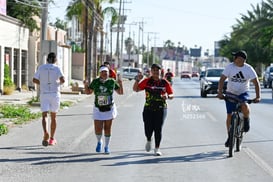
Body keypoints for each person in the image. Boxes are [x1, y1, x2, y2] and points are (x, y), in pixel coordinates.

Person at [217, 50, 261, 147]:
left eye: (236, 57)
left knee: (244, 105)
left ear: (242, 59)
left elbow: (256, 82)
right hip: (230, 93)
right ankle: (230, 136)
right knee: (229, 115)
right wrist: (219, 93)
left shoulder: (248, 69)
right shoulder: (230, 67)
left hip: (243, 93)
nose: (234, 59)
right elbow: (222, 80)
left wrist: (258, 96)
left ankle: (246, 119)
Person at [133, 63, 174, 156]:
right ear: (151, 71)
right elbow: (136, 89)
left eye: (157, 70)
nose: (156, 72)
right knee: (148, 129)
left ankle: (157, 148)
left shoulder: (164, 82)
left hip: (161, 108)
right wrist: (137, 80)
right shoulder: (147, 81)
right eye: (154, 70)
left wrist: (167, 96)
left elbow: (172, 94)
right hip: (148, 108)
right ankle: (148, 139)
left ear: (160, 71)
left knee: (158, 129)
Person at [84, 65, 123, 154]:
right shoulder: (95, 82)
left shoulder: (112, 82)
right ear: (100, 73)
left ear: (108, 73)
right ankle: (99, 141)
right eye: (102, 72)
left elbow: (120, 93)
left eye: (106, 72)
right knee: (98, 128)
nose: (104, 74)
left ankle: (106, 146)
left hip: (109, 108)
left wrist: (120, 83)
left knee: (107, 128)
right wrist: (85, 84)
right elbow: (88, 92)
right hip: (98, 108)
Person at [33, 52, 65, 146]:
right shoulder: (57, 68)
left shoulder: (41, 67)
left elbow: (34, 80)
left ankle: (45, 133)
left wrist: (42, 83)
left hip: (44, 93)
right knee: (54, 116)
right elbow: (63, 80)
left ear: (47, 59)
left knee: (44, 115)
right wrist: (57, 83)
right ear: (55, 60)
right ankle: (51, 138)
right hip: (55, 93)